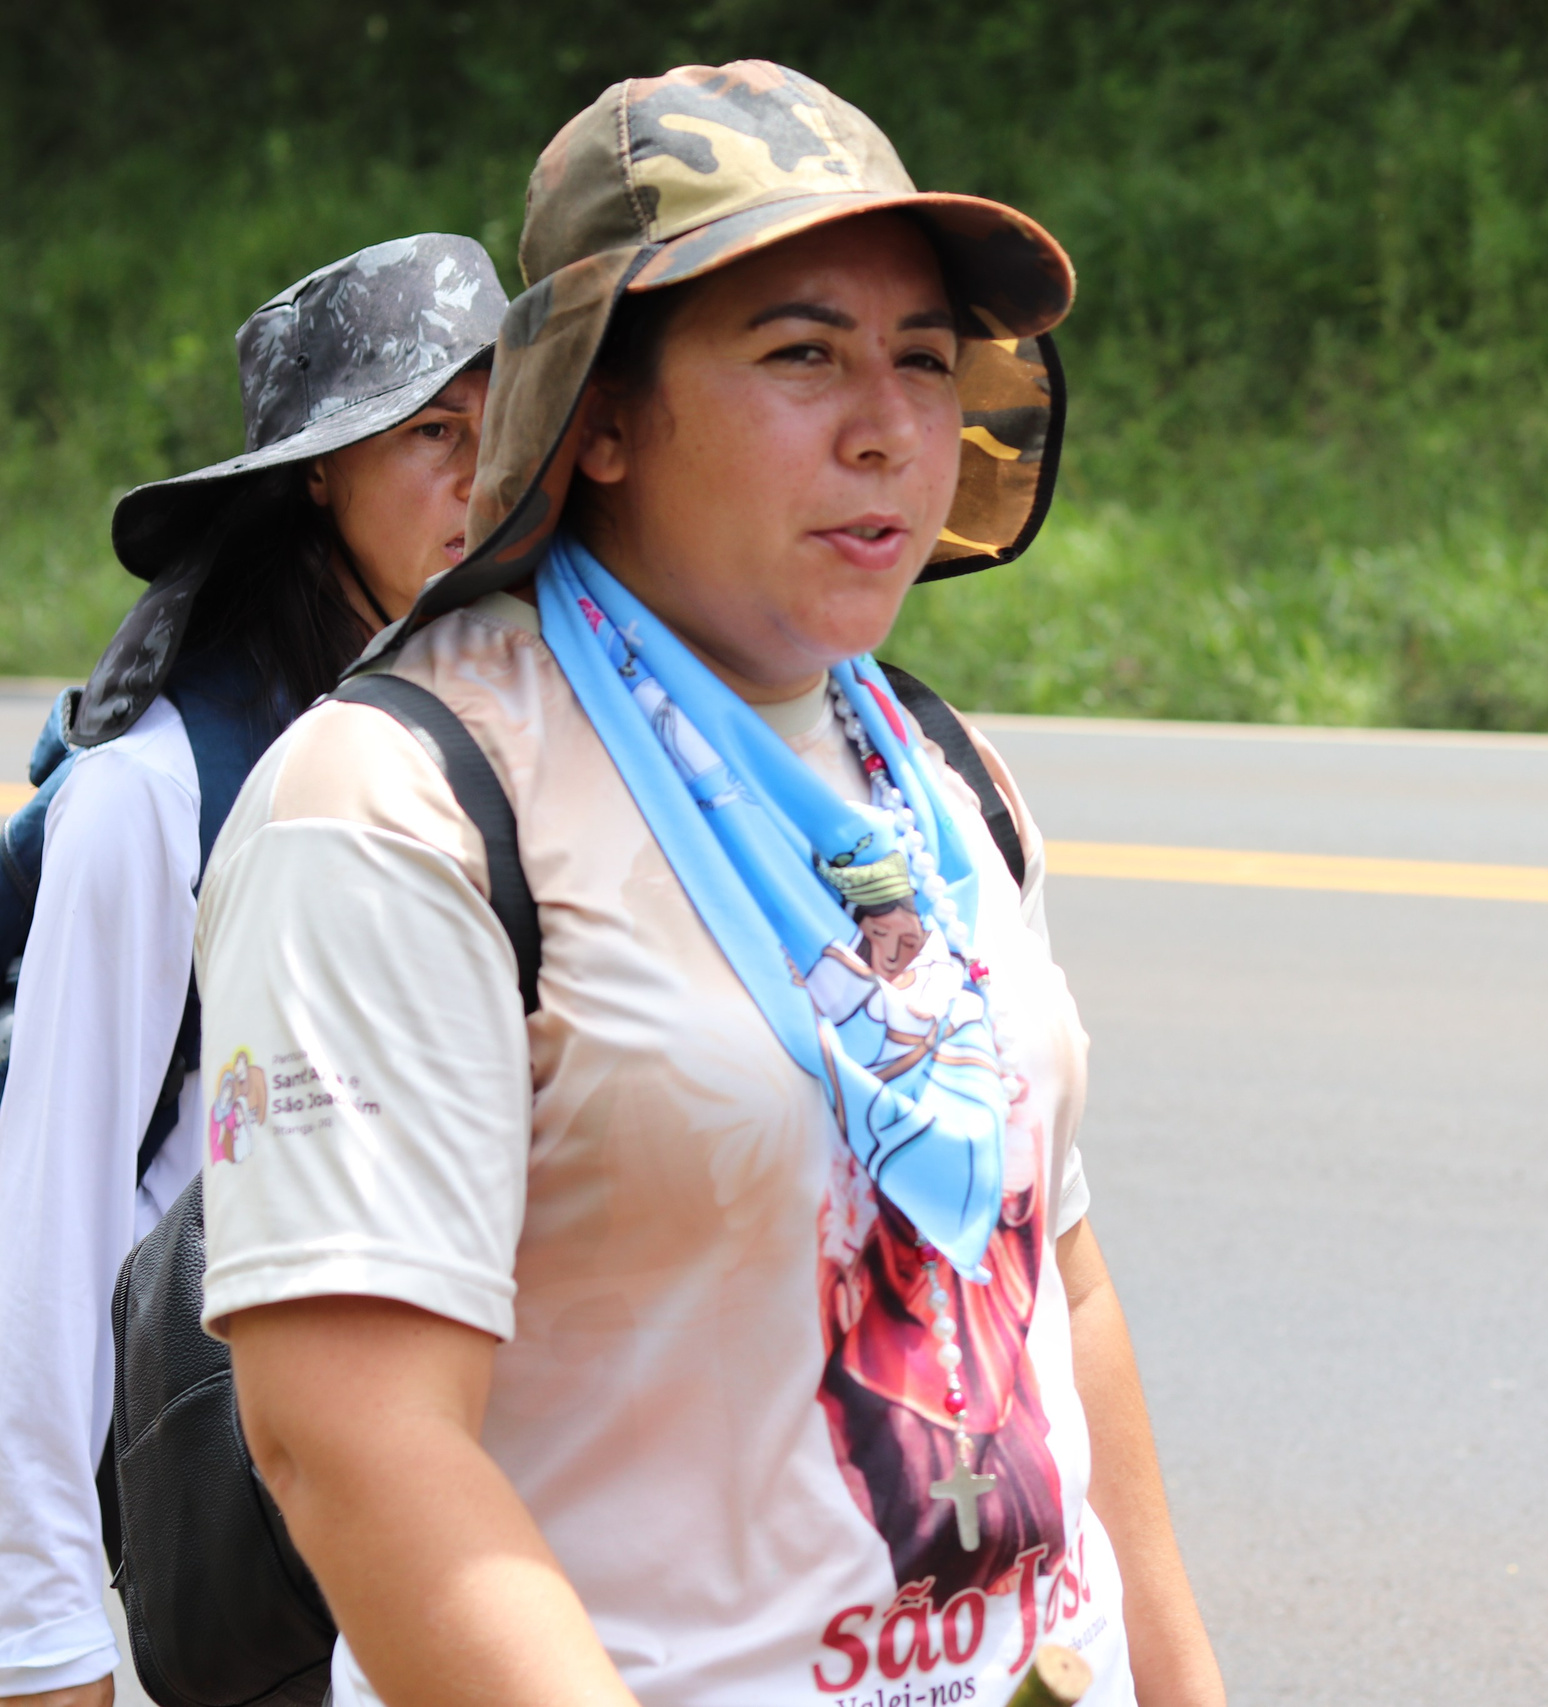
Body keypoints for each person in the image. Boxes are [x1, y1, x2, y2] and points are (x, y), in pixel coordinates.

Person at [196, 62, 1225, 1707]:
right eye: (802, 353)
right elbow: (353, 1441)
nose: (889, 426)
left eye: (924, 359)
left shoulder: (936, 777)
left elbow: (1058, 1279)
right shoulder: (405, 804)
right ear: (596, 414)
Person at [0, 233, 504, 1707]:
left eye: (503, 428)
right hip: (228, 1474)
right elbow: (49, 1227)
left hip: (443, 1431)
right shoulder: (151, 793)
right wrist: (39, 1629)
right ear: (317, 477)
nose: (479, 477)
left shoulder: (500, 719)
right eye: (430, 433)